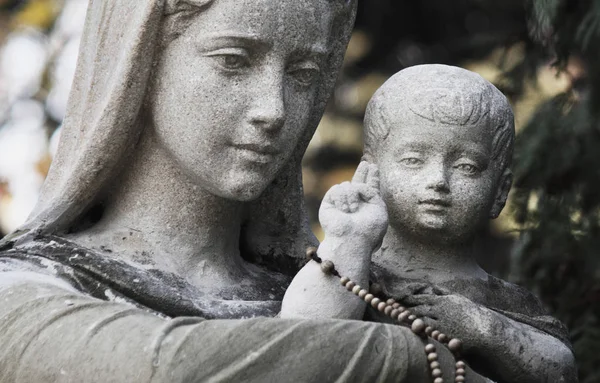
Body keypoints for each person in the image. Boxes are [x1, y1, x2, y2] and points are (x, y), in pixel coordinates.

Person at [0, 2, 474, 382]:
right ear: (141, 62)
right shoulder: (26, 287)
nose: (274, 109)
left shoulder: (349, 293)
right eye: (233, 61)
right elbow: (168, 367)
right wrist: (403, 356)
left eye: (303, 74)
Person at [282, 64, 577, 383]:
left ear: (500, 191)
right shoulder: (356, 278)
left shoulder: (511, 304)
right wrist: (348, 239)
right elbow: (299, 342)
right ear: (373, 172)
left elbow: (559, 370)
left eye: (467, 166)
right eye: (413, 160)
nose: (438, 180)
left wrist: (481, 327)